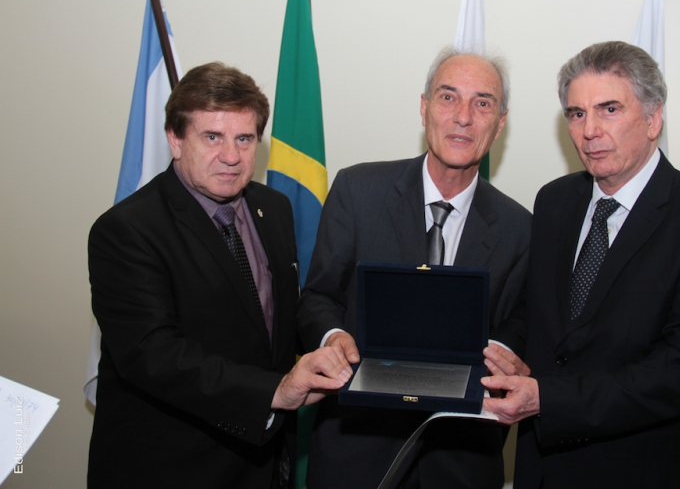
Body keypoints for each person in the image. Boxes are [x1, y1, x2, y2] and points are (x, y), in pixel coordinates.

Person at [482, 41, 680, 488]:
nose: (590, 131)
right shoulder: (554, 201)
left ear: (653, 118)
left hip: (648, 470)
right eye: (576, 114)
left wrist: (549, 398)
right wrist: (497, 352)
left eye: (609, 109)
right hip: (544, 467)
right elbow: (537, 310)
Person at [87, 62, 352, 489]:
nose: (231, 156)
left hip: (265, 459)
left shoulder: (274, 209)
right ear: (175, 139)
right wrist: (274, 391)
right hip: (173, 467)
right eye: (212, 137)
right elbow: (153, 354)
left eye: (244, 139)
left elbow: (274, 319)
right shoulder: (127, 230)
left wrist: (329, 340)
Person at [296, 48, 531, 489]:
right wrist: (334, 338)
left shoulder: (521, 226)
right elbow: (318, 297)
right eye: (448, 97)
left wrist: (499, 351)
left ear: (500, 124)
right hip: (356, 453)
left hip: (462, 461)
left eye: (482, 103)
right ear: (424, 108)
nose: (463, 117)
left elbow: (519, 319)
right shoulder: (357, 191)